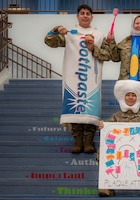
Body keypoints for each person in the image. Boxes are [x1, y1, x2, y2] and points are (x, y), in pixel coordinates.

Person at [44, 4, 110, 153]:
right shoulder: (69, 34)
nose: (85, 15)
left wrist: (94, 48)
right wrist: (57, 29)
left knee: (91, 109)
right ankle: (78, 142)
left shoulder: (99, 35)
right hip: (74, 79)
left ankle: (88, 142)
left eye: (88, 13)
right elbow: (49, 42)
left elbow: (108, 55)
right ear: (77, 16)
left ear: (92, 17)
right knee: (75, 108)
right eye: (82, 13)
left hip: (91, 80)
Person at [98, 79, 140, 197]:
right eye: (128, 95)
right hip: (119, 151)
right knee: (102, 152)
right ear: (123, 98)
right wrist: (103, 128)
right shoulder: (115, 117)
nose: (130, 98)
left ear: (137, 98)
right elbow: (107, 137)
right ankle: (108, 185)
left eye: (133, 95)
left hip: (138, 151)